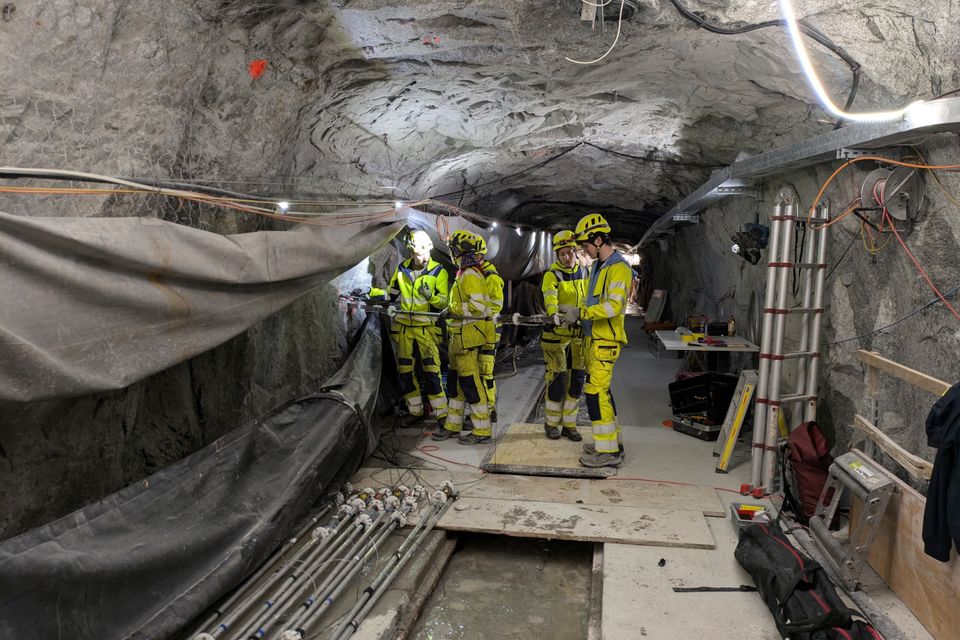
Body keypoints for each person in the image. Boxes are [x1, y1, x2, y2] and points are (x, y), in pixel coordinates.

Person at [560, 213, 632, 468]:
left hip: (606, 341)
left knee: (595, 394)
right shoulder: (597, 268)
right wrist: (573, 314)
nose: (584, 250)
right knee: (603, 393)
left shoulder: (619, 269)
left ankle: (608, 453)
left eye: (586, 245)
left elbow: (613, 306)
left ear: (599, 240)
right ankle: (612, 443)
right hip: (594, 340)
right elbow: (589, 301)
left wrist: (581, 313)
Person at [433, 230, 496, 445]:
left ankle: (482, 430)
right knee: (455, 384)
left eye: (452, 249)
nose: (451, 253)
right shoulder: (463, 273)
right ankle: (453, 425)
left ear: (458, 251)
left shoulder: (470, 274)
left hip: (467, 339)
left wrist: (453, 309)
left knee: (470, 383)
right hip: (458, 338)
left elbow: (478, 307)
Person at [385, 229, 449, 427]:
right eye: (420, 254)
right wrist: (374, 294)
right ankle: (415, 411)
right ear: (412, 253)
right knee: (405, 372)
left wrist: (431, 296)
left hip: (425, 329)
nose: (424, 257)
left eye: (426, 253)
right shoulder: (402, 269)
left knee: (432, 372)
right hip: (405, 328)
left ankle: (442, 415)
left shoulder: (438, 271)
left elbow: (444, 302)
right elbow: (391, 294)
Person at [540, 230, 588, 441]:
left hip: (578, 337)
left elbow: (590, 299)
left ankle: (569, 425)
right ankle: (551, 424)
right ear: (557, 256)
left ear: (576, 252)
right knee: (557, 380)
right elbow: (550, 299)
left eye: (569, 253)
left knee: (576, 381)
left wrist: (583, 313)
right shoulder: (552, 275)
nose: (567, 257)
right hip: (557, 336)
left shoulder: (585, 273)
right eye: (562, 254)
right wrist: (555, 315)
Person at [478, 236, 504, 426]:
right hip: (475, 331)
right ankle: (481, 409)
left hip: (489, 331)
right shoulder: (471, 274)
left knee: (485, 372)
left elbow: (495, 306)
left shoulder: (490, 277)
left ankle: (489, 410)